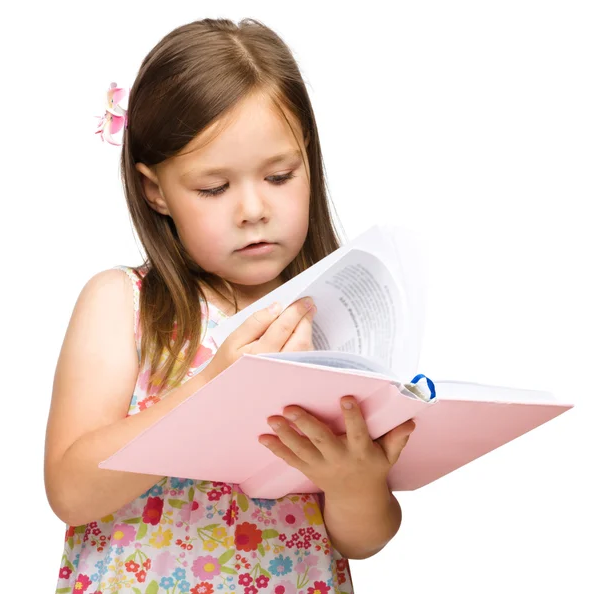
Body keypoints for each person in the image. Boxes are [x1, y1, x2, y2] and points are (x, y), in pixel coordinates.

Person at [44, 17, 416, 594]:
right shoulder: (124, 303)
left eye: (279, 175)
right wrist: (210, 390)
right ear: (155, 190)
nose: (252, 209)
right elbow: (70, 492)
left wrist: (354, 483)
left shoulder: (330, 317)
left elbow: (363, 540)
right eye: (214, 188)